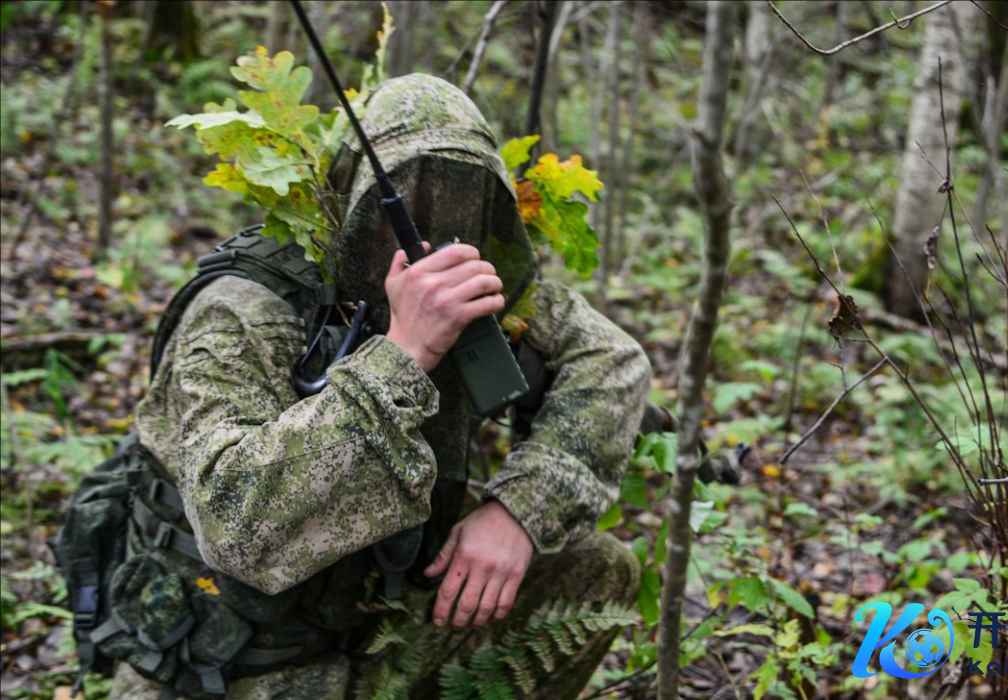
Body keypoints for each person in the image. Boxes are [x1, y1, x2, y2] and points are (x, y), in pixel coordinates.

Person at [106, 74, 651, 700]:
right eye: (402, 203)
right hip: (230, 669)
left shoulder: (477, 282)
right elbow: (236, 531)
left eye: (463, 201)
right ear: (346, 201)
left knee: (595, 572)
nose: (431, 232)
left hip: (375, 637)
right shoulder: (243, 311)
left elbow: (612, 360)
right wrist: (404, 352)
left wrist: (518, 513)